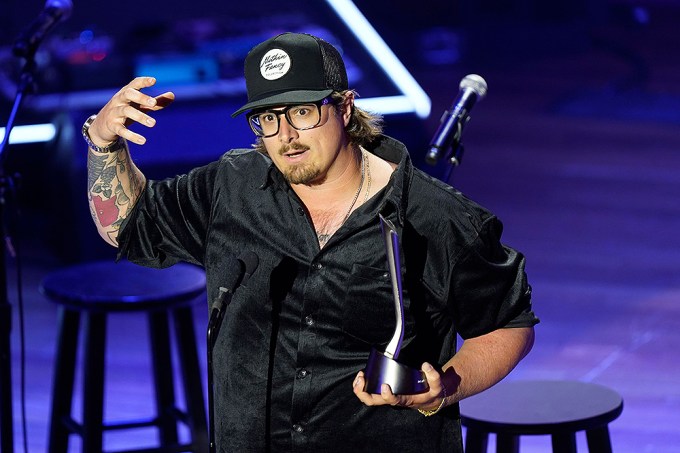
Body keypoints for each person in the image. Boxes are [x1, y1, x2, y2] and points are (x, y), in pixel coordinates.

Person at [81, 32, 538, 452]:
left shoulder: (432, 216)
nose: (286, 137)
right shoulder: (231, 187)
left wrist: (442, 390)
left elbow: (508, 325)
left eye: (302, 112)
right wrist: (104, 142)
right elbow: (126, 226)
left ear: (345, 108)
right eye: (268, 119)